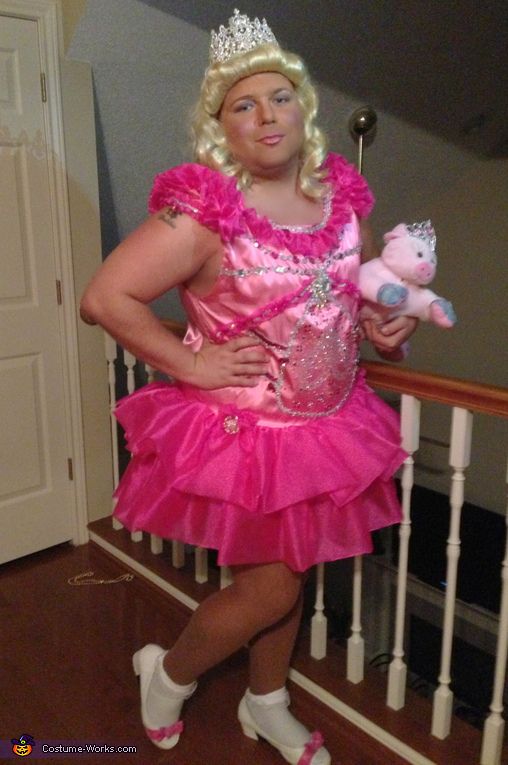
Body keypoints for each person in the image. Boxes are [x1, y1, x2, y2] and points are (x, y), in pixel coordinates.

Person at [80, 10, 417, 764]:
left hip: (324, 427)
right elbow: (106, 297)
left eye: (280, 97)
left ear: (305, 108)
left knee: (287, 575)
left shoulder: (344, 206)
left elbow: (348, 307)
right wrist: (191, 364)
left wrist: (383, 328)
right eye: (243, 104)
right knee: (269, 591)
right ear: (221, 129)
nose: (266, 115)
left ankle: (266, 701)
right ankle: (167, 675)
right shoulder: (206, 215)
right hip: (246, 436)